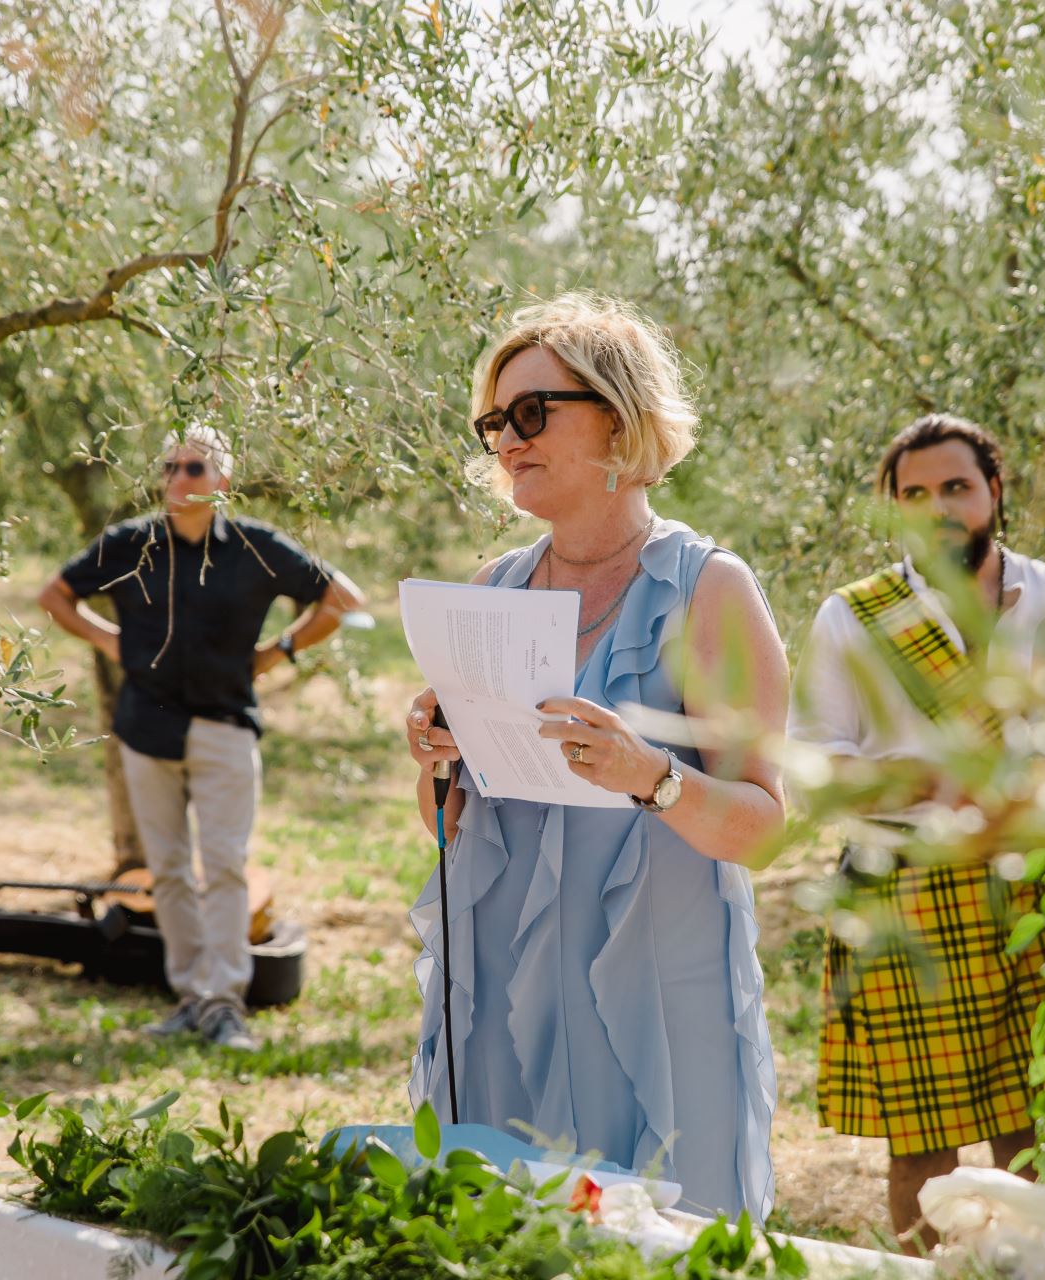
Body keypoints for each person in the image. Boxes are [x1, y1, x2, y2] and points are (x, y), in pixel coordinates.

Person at [403, 293, 787, 1220]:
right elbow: (455, 828)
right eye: (494, 420)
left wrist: (649, 776)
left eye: (533, 412)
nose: (506, 439)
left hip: (657, 996)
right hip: (500, 985)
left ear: (618, 417)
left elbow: (766, 830)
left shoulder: (709, 589)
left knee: (663, 1244)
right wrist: (437, 763)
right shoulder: (493, 587)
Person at [788, 413, 1045, 1243]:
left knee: (1040, 1138)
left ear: (994, 490)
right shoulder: (853, 617)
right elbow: (809, 768)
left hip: (1044, 890)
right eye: (913, 495)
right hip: (905, 898)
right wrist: (935, 777)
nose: (937, 509)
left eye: (955, 487)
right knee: (922, 1157)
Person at [38, 426, 363, 1051]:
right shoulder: (132, 543)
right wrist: (113, 643)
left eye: (194, 467)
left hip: (224, 725)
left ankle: (223, 1002)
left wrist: (279, 651)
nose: (179, 478)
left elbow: (341, 598)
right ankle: (190, 996)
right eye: (170, 467)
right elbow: (54, 595)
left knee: (223, 865)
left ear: (224, 481)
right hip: (146, 727)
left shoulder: (253, 546)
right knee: (165, 868)